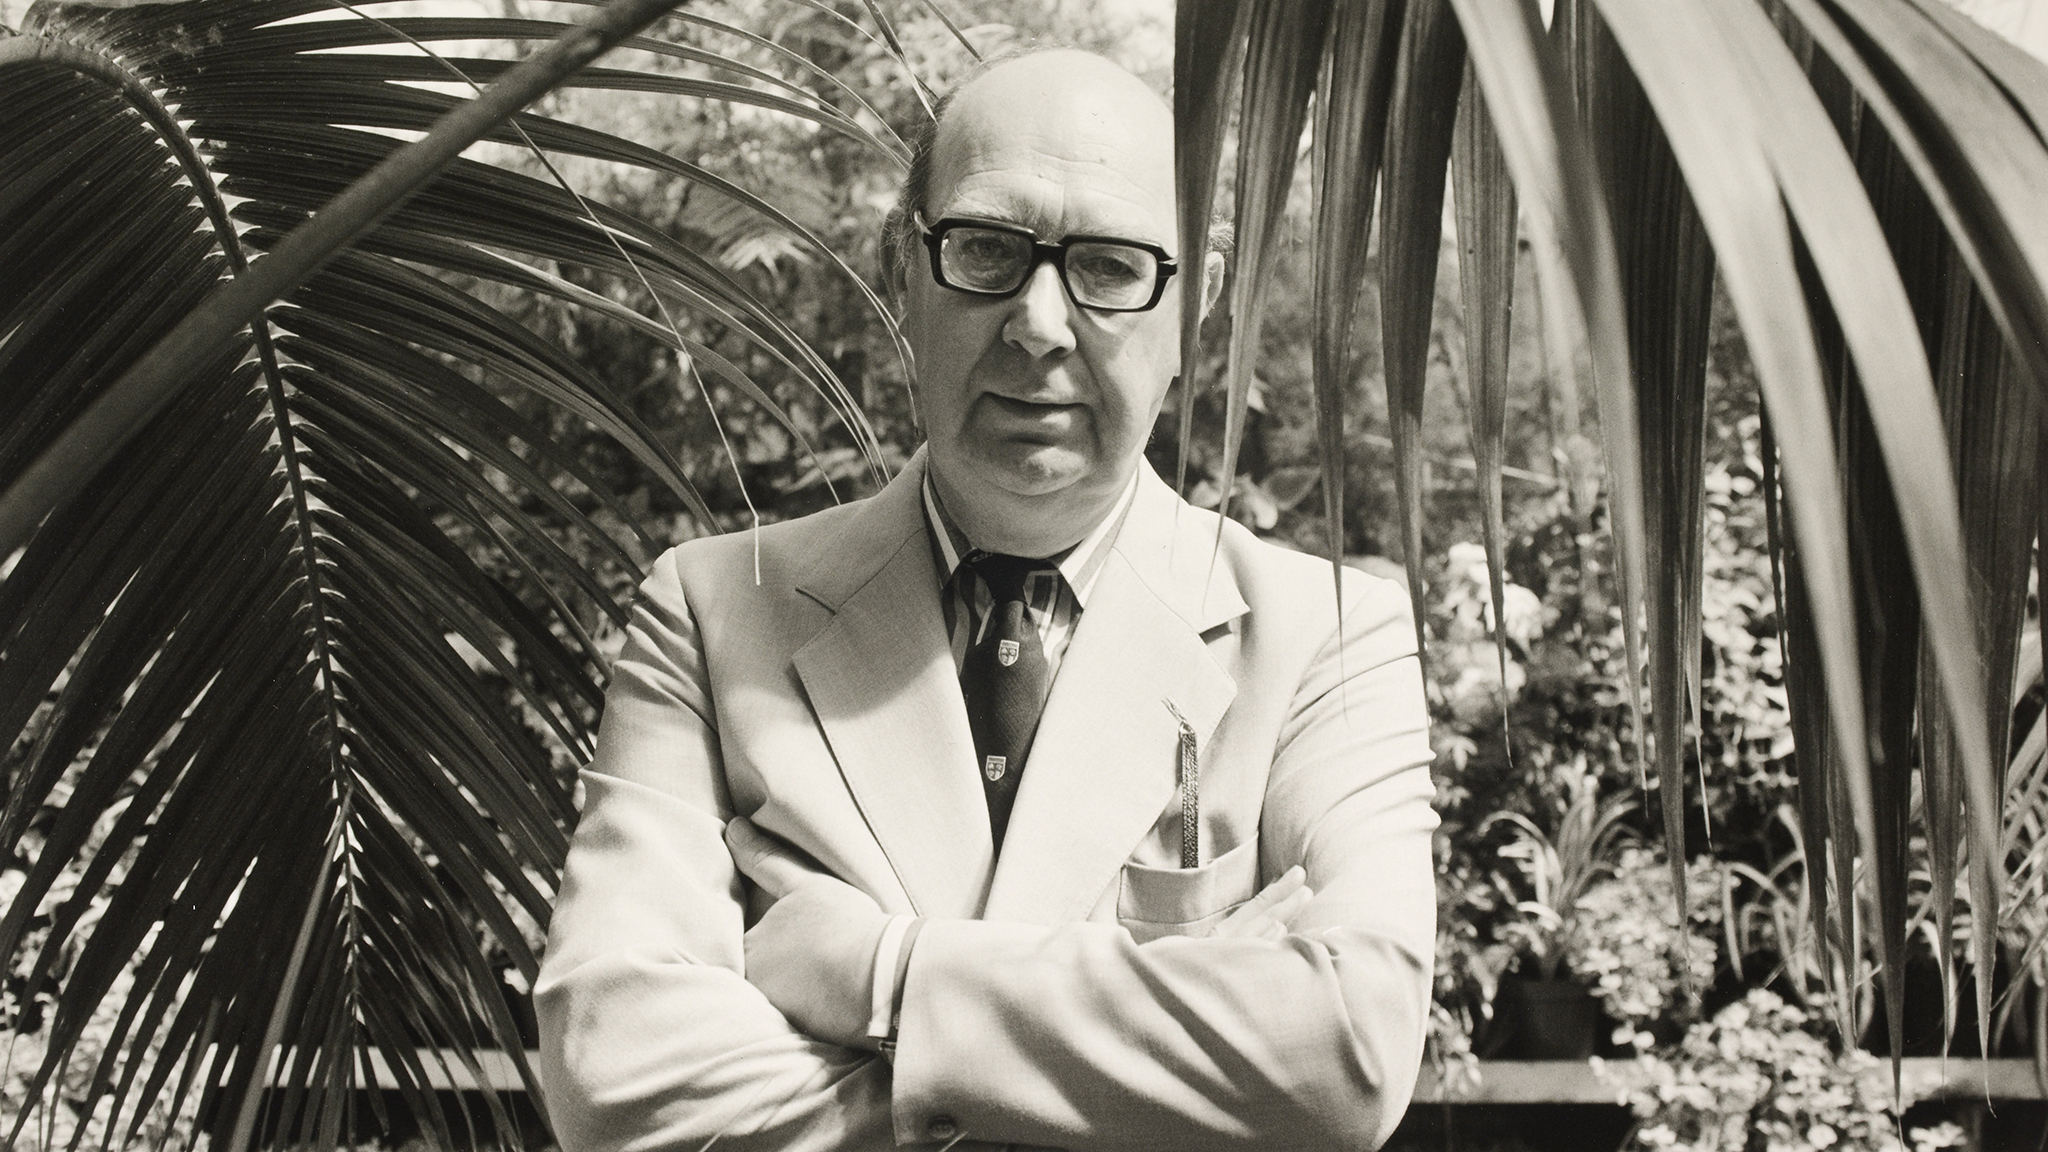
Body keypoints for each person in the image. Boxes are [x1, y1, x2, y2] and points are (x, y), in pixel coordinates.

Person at [534, 48, 1437, 1152]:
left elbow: (1346, 1053)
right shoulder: (716, 614)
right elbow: (613, 1074)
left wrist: (882, 975)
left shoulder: (1325, 636)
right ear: (903, 274)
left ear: (1190, 310)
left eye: (1108, 266)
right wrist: (1165, 1057)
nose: (1039, 324)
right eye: (987, 250)